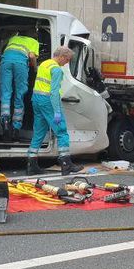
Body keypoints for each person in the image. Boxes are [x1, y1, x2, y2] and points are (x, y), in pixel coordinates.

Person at [27, 47, 77, 175]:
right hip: (48, 101)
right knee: (61, 131)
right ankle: (66, 164)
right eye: (67, 60)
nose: (66, 63)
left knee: (39, 132)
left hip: (36, 100)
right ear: (62, 56)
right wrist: (57, 112)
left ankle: (31, 164)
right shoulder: (56, 70)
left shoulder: (44, 64)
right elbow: (54, 92)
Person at [0, 30, 40, 137]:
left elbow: (3, 50)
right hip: (20, 63)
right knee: (19, 95)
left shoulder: (13, 38)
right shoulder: (34, 42)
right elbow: (31, 56)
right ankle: (16, 128)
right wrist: (35, 69)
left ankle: (5, 123)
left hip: (6, 62)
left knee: (6, 93)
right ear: (34, 35)